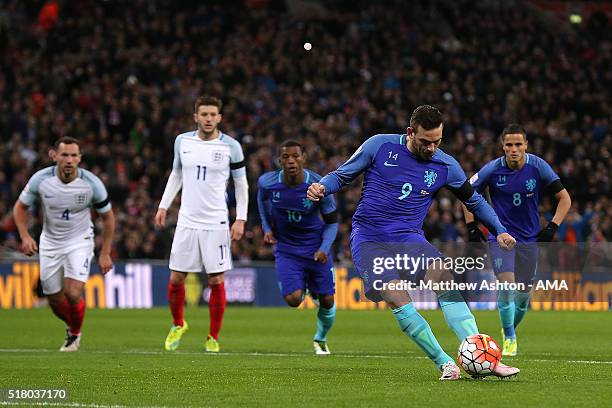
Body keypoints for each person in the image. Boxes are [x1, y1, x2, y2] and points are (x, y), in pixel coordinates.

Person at [307, 105, 520, 380]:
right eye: (425, 142)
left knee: (444, 278)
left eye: (437, 142)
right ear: (410, 133)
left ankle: (483, 358)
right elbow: (342, 175)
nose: (431, 148)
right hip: (369, 238)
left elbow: (474, 200)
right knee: (397, 297)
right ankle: (444, 362)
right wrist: (322, 186)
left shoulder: (446, 165)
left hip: (409, 238)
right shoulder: (380, 146)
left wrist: (500, 229)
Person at [463, 124, 571, 356]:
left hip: (529, 238)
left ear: (526, 146)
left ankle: (510, 329)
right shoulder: (492, 170)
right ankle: (509, 335)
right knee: (507, 286)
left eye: (518, 144)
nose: (514, 149)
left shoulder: (538, 166)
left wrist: (553, 226)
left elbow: (564, 198)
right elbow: (467, 194)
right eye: (509, 145)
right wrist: (472, 226)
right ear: (502, 146)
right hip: (500, 235)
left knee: (522, 298)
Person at [155, 95, 248, 352]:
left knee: (216, 281)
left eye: (212, 115)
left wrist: (241, 218)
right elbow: (176, 174)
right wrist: (164, 205)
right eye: (203, 115)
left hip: (216, 221)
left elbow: (241, 184)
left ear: (220, 118)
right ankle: (178, 324)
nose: (208, 119)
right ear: (195, 116)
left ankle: (213, 337)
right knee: (176, 278)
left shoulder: (232, 146)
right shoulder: (182, 141)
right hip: (187, 220)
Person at [13, 137, 115, 352]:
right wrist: (25, 236)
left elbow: (108, 218)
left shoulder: (92, 184)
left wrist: (105, 253)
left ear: (80, 158)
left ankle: (75, 336)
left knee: (73, 293)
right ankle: (72, 326)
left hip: (80, 241)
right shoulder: (41, 180)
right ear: (54, 156)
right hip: (50, 243)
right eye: (64, 155)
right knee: (53, 299)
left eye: (73, 156)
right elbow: (19, 208)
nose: (69, 160)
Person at [257, 140, 339, 355]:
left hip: (315, 248)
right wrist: (266, 227)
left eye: (295, 156)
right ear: (279, 160)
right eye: (286, 157)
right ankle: (307, 289)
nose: (291, 161)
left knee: (328, 300)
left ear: (304, 158)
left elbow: (332, 221)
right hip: (287, 249)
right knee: (293, 300)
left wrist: (324, 247)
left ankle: (320, 339)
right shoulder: (268, 183)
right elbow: (262, 201)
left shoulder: (318, 185)